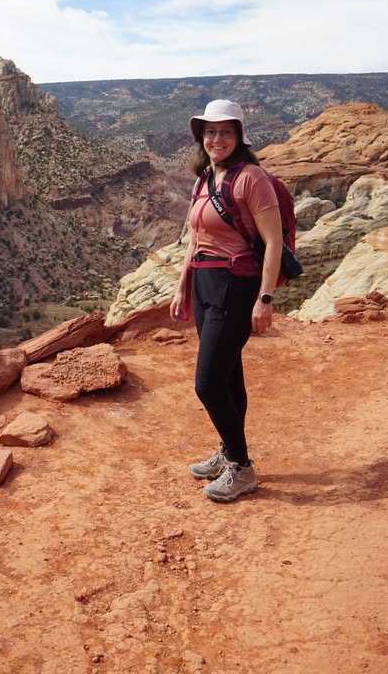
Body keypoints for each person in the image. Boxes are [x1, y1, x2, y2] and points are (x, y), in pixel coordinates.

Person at [169, 99, 283, 503]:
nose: (217, 139)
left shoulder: (251, 178)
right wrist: (183, 285)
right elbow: (195, 238)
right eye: (210, 132)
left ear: (239, 136)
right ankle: (227, 450)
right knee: (228, 374)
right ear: (201, 136)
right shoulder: (205, 177)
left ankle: (241, 466)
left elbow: (274, 242)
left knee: (208, 383)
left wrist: (265, 299)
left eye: (225, 132)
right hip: (203, 282)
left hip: (236, 285)